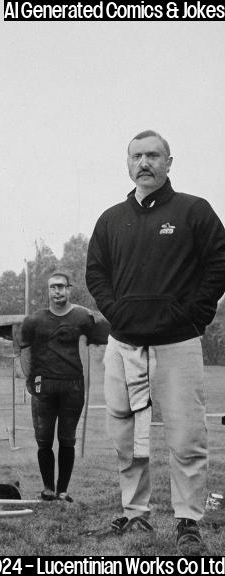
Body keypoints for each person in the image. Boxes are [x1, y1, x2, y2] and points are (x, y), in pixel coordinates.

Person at [86, 130, 225, 555]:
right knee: (125, 434)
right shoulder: (111, 219)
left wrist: (194, 314)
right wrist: (117, 312)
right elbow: (96, 273)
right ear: (128, 163)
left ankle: (188, 520)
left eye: (153, 155)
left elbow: (219, 264)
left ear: (169, 162)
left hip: (177, 342)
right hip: (124, 343)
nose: (144, 163)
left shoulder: (193, 210)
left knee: (186, 435)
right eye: (136, 156)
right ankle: (135, 513)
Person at [19, 272, 108, 502]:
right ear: (48, 291)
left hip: (73, 386)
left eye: (61, 287)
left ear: (69, 289)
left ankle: (63, 490)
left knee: (67, 439)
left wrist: (90, 312)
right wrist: (30, 379)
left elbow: (105, 331)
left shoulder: (82, 317)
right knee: (44, 440)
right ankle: (48, 488)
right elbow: (25, 350)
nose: (57, 291)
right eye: (53, 287)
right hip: (44, 386)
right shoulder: (34, 320)